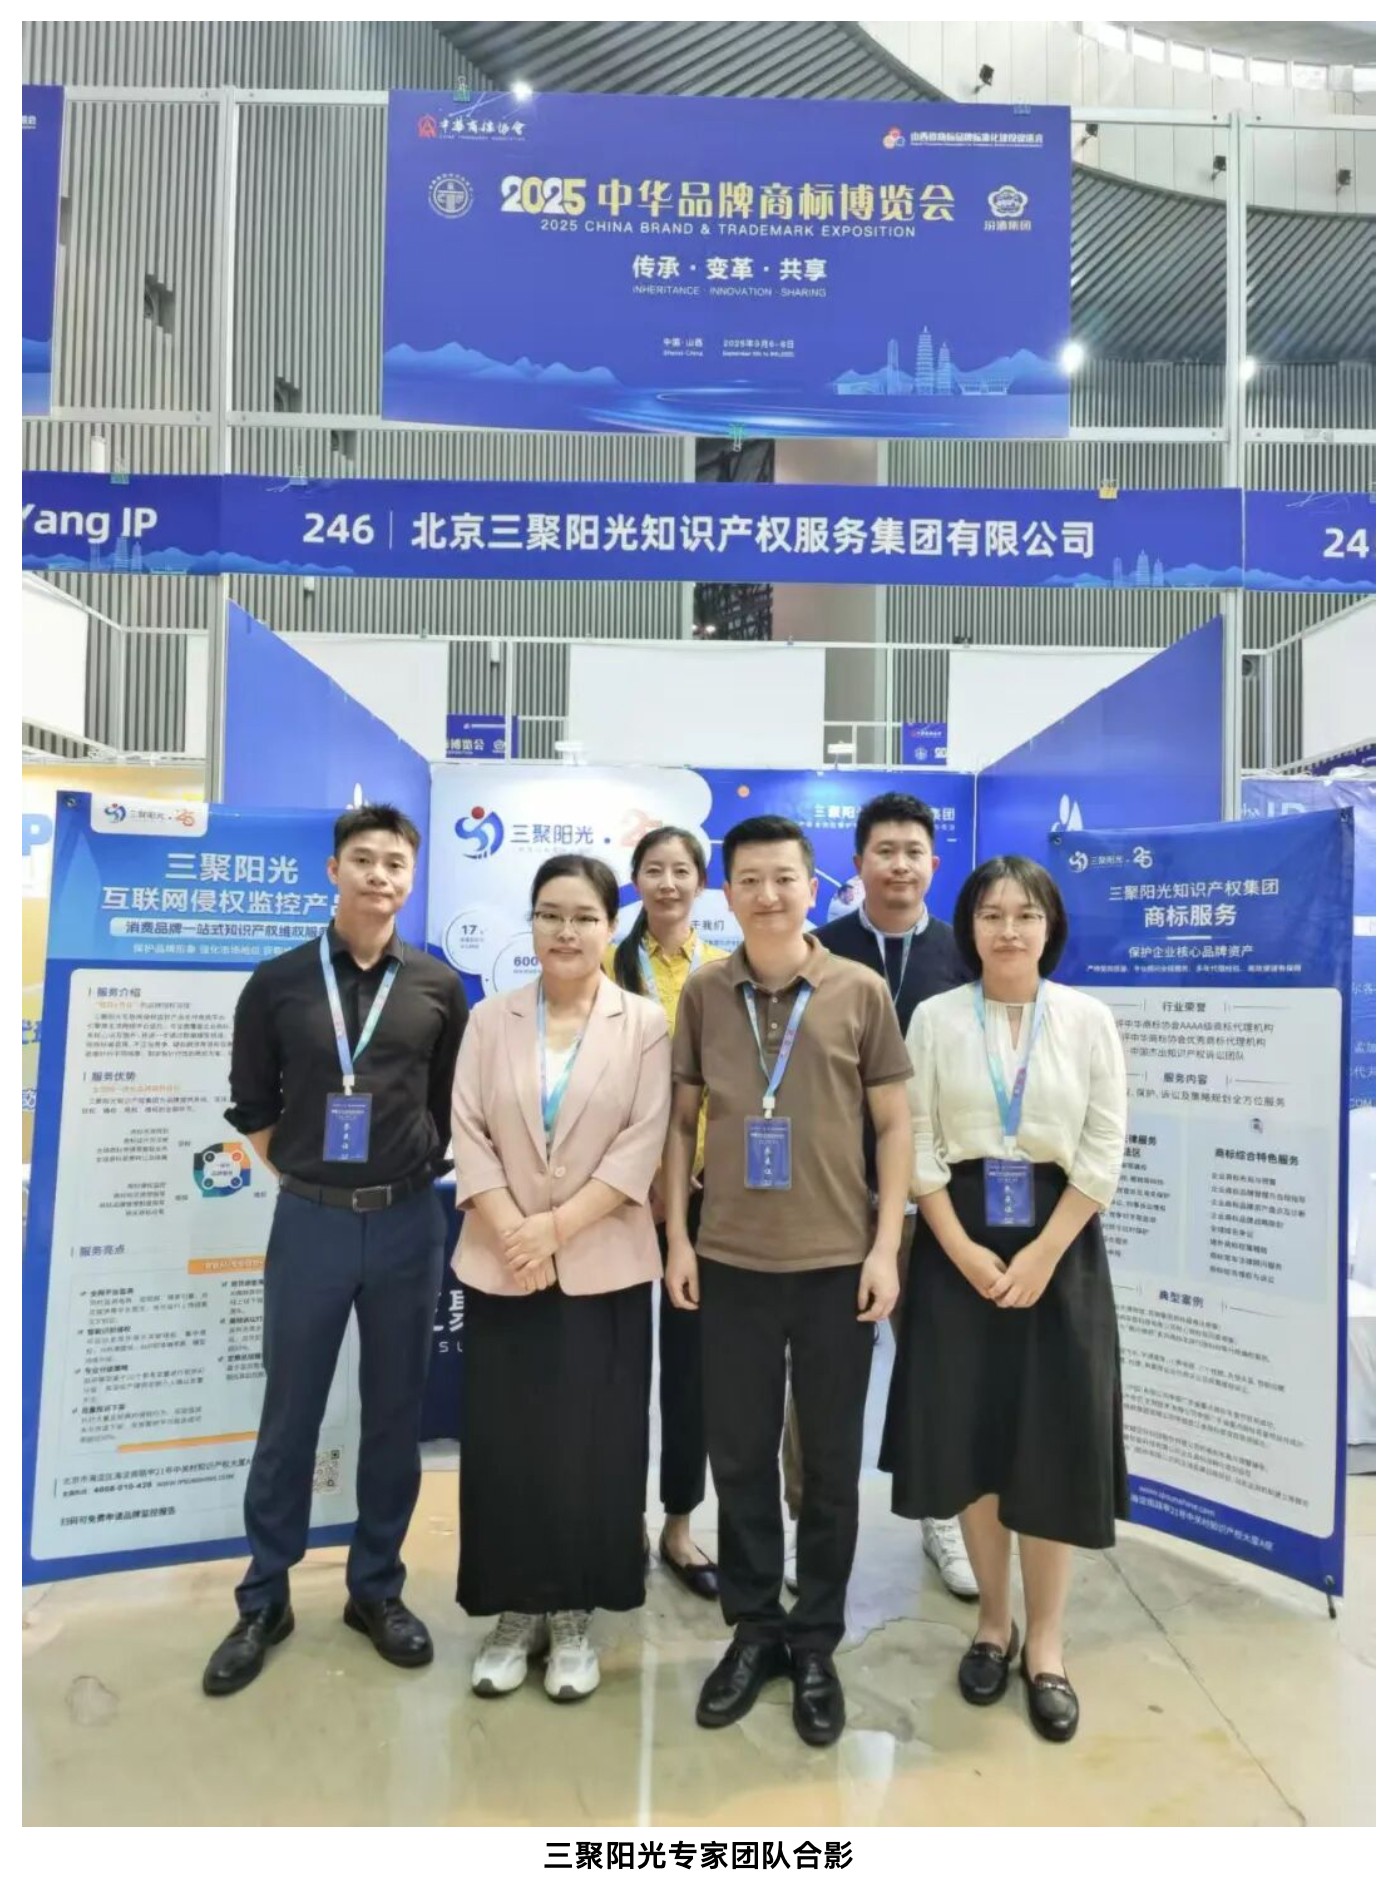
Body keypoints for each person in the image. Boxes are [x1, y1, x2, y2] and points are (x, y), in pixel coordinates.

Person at [204, 804, 468, 1697]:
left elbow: (448, 1101)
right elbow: (252, 1102)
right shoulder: (278, 981)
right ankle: (263, 1599)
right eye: (363, 859)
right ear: (333, 871)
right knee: (291, 1411)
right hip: (310, 1221)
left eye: (395, 862)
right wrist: (310, 1177)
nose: (379, 875)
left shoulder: (437, 985)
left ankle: (375, 1589)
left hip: (407, 1223)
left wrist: (398, 1171)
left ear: (411, 877)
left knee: (394, 1412)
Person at [665, 815, 912, 1748]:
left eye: (784, 878)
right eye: (750, 880)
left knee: (831, 1467)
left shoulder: (859, 992)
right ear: (727, 893)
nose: (768, 896)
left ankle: (815, 1641)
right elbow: (678, 1120)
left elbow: (894, 1126)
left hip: (836, 1266)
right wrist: (677, 1239)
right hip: (729, 1260)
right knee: (738, 1456)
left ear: (814, 887)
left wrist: (884, 1249)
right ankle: (755, 1628)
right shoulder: (705, 993)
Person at [880, 855, 1128, 1745]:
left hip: (1062, 1244)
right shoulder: (937, 1017)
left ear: (1050, 926)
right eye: (992, 914)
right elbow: (916, 1139)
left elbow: (1104, 1145)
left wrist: (1044, 1255)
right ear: (971, 926)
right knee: (974, 1439)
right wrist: (957, 1248)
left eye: (1026, 914)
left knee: (1051, 1442)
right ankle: (994, 1622)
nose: (1009, 929)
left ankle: (1046, 1645)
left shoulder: (1089, 1019)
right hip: (960, 1241)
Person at [450, 854, 671, 1703]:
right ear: (532, 923)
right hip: (502, 1263)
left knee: (593, 1443)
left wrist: (554, 1228)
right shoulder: (489, 1018)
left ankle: (574, 1611)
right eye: (550, 914)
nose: (566, 931)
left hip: (603, 1267)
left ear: (610, 927)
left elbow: (642, 1144)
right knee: (506, 1442)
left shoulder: (643, 1023)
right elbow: (468, 1130)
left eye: (584, 916)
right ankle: (515, 1611)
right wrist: (516, 1230)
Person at [780, 792, 977, 1602]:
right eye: (884, 851)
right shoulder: (815, 952)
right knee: (818, 1379)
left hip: (936, 1200)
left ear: (935, 863)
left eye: (913, 851)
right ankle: (807, 1525)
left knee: (940, 1367)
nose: (899, 865)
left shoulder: (965, 953)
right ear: (857, 864)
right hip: (832, 1199)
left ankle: (943, 1513)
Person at [605, 826, 726, 1601]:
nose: (668, 883)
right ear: (636, 880)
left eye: (682, 870)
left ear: (701, 883)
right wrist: (639, 1173)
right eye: (654, 869)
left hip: (707, 1196)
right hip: (615, 1194)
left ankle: (680, 1525)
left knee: (692, 1371)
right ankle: (620, 1519)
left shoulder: (725, 970)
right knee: (616, 1366)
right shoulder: (605, 964)